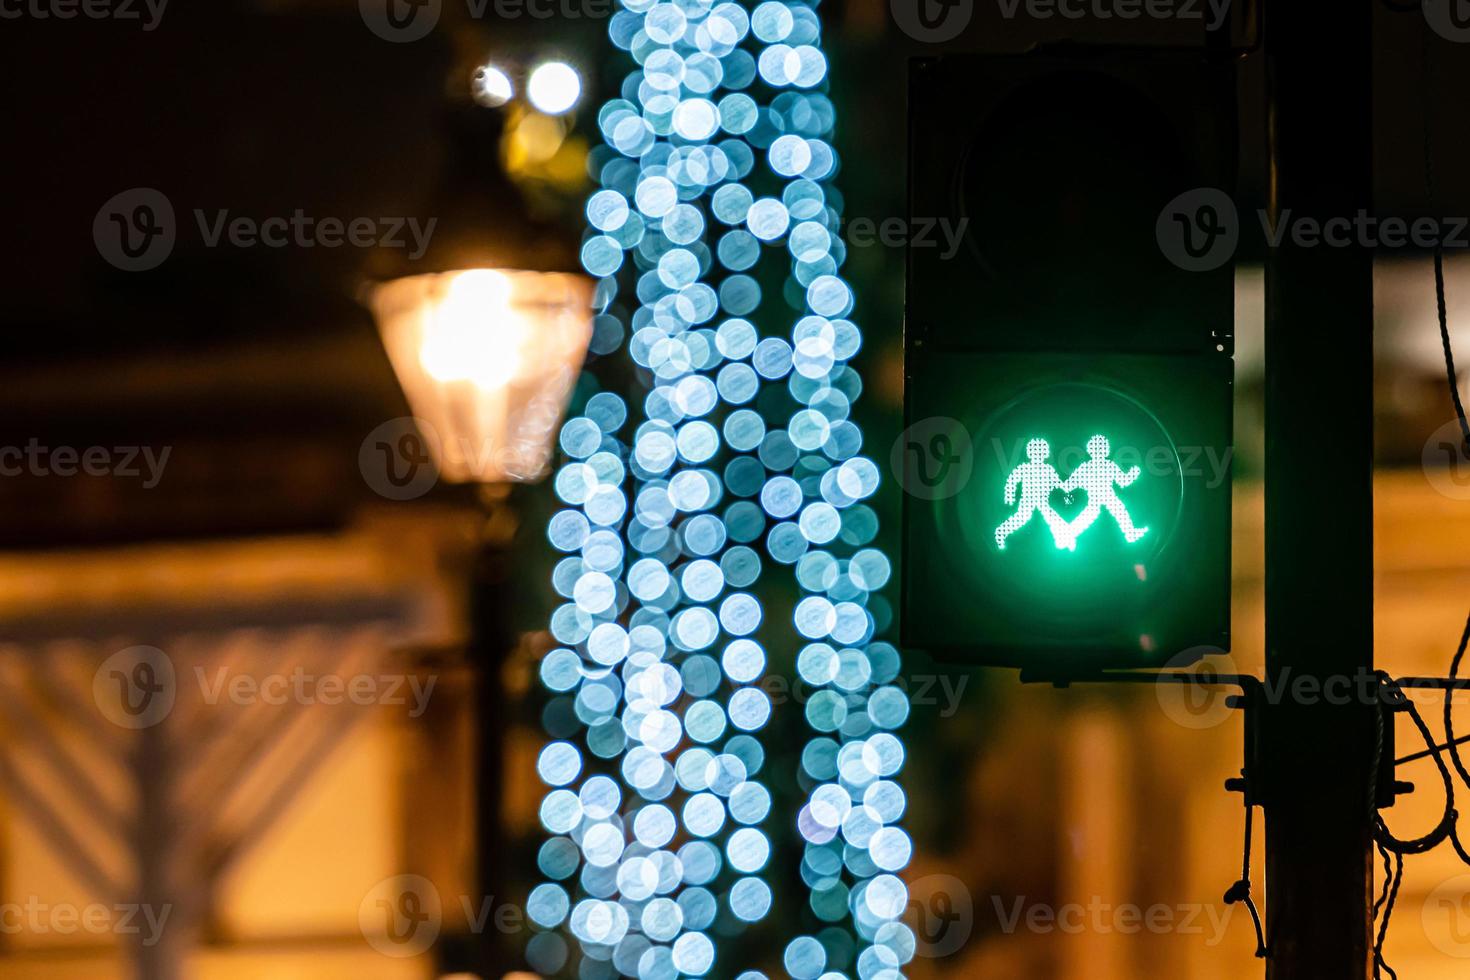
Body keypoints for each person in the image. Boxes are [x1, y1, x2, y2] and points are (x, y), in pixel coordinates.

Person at [1060, 434, 1149, 544]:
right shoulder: (1087, 466)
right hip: (1096, 496)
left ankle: (1130, 533)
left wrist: (1132, 474)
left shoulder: (1107, 465)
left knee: (1118, 510)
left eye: (1101, 448)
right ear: (1091, 450)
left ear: (1106, 450)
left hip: (1108, 495)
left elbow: (1123, 481)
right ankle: (1067, 535)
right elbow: (1072, 482)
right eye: (1096, 448)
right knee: (1090, 515)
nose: (1098, 451)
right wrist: (1062, 487)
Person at [995, 438, 1073, 550]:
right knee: (1021, 519)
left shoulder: (1047, 469)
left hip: (1043, 500)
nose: (1038, 454)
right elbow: (1012, 481)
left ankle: (1066, 540)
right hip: (1028, 500)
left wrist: (1066, 493)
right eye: (1035, 451)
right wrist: (1009, 496)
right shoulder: (1025, 468)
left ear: (1045, 453)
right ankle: (1000, 533)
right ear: (1030, 453)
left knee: (1053, 519)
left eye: (1041, 452)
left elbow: (1058, 484)